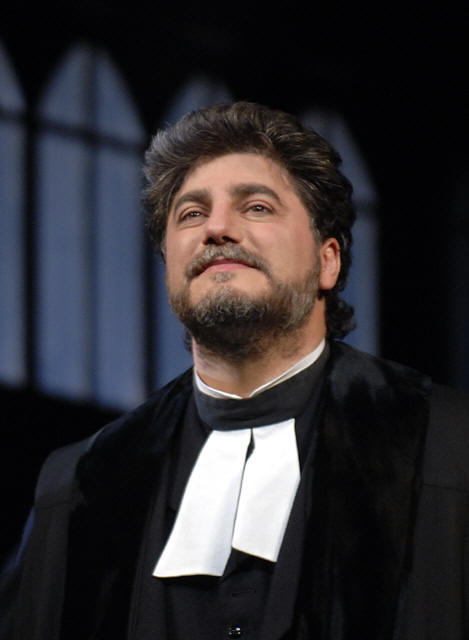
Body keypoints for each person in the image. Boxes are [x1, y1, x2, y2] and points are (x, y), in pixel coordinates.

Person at [2, 102, 469, 640]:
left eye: (257, 208)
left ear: (328, 260)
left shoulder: (447, 447)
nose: (217, 228)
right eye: (191, 214)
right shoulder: (80, 485)